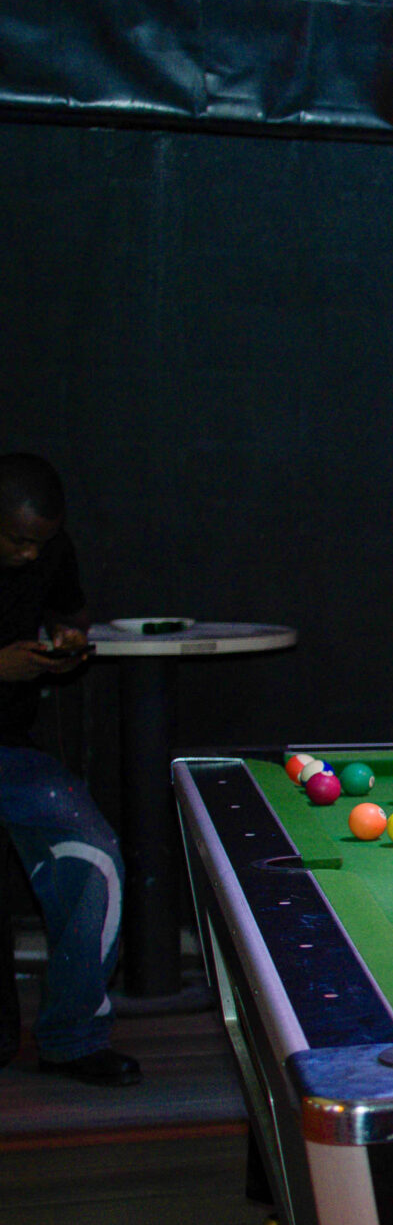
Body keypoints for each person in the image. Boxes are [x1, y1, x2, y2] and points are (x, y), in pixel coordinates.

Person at [0, 455, 138, 1086]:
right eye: (17, 540)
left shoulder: (51, 551)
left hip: (10, 748)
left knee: (94, 853)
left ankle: (72, 1038)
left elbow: (69, 612)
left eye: (42, 541)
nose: (31, 554)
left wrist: (68, 640)